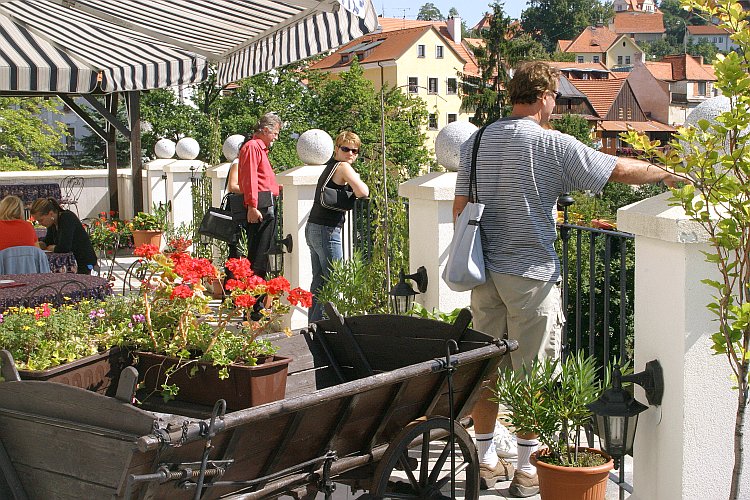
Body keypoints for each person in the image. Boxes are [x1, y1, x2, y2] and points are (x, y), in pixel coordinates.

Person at [453, 61, 686, 495]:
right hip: (532, 272)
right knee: (533, 372)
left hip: (484, 272)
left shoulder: (478, 140)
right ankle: (525, 468)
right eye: (556, 98)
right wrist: (668, 174)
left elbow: (460, 207)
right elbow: (614, 170)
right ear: (543, 95)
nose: (556, 105)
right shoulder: (549, 143)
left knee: (486, 369)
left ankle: (484, 461)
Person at [305, 131, 370, 321]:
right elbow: (363, 191)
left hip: (313, 227)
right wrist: (355, 176)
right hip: (327, 230)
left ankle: (313, 325)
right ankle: (324, 327)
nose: (350, 154)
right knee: (334, 280)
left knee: (319, 281)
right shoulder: (343, 167)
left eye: (355, 151)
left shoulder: (331, 167)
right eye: (345, 149)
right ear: (337, 149)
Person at [238, 113, 282, 279]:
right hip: (260, 207)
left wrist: (277, 187)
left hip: (265, 204)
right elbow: (250, 178)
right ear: (265, 130)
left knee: (263, 253)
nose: (275, 138)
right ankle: (254, 301)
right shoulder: (253, 147)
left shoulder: (258, 148)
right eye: (275, 133)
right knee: (258, 254)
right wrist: (252, 206)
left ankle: (257, 298)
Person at [31, 197, 97, 274]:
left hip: (84, 263)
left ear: (51, 214)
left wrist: (53, 247)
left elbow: (64, 247)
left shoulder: (67, 218)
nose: (40, 223)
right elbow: (48, 241)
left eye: (41, 220)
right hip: (70, 263)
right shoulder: (53, 223)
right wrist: (39, 244)